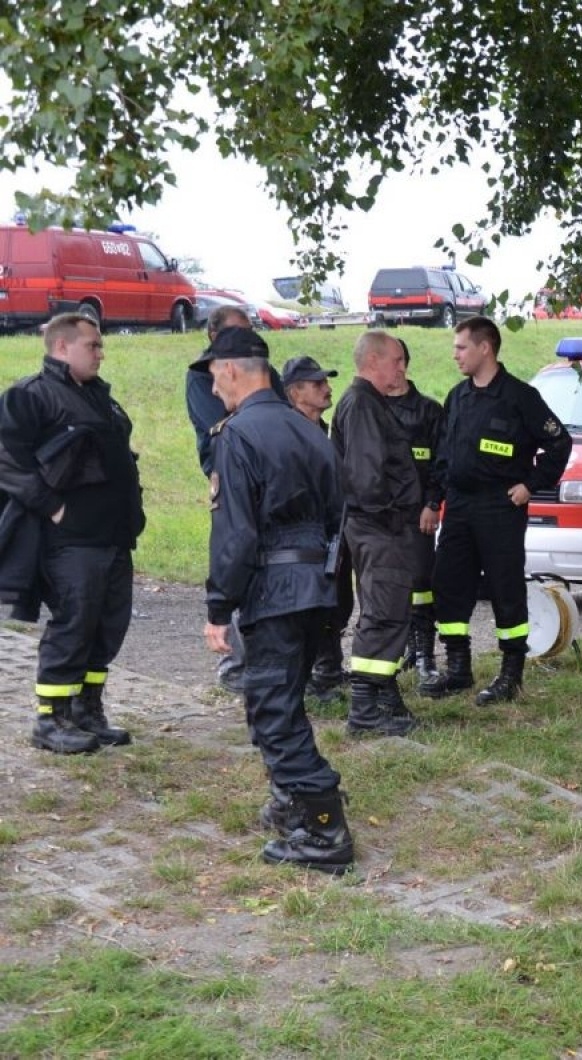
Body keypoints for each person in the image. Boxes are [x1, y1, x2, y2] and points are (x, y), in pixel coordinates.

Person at [195, 326, 354, 874]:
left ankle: (324, 827)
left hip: (275, 590)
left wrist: (219, 608)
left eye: (215, 376)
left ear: (233, 370)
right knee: (281, 703)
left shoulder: (238, 435)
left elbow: (234, 535)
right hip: (318, 587)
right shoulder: (310, 430)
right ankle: (291, 799)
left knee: (274, 709)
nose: (214, 390)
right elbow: (339, 516)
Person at [0, 314, 145, 754]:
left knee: (107, 625)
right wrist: (52, 506)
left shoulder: (100, 397)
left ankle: (87, 710)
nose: (101, 352)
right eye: (93, 345)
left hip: (113, 535)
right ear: (62, 348)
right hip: (71, 541)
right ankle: (51, 719)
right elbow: (7, 459)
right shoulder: (31, 396)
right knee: (74, 622)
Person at [420, 316, 572, 705]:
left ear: (484, 348)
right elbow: (443, 457)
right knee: (450, 584)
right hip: (460, 506)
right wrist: (434, 501)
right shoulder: (457, 397)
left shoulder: (520, 397)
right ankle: (458, 669)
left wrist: (530, 485)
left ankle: (510, 675)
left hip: (500, 507)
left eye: (461, 347)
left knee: (505, 588)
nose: (455, 354)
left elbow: (559, 444)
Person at [330, 331, 422, 737]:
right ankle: (366, 708)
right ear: (372, 360)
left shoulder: (369, 403)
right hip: (379, 527)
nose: (402, 368)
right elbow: (368, 477)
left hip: (380, 527)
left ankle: (383, 695)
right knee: (382, 613)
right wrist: (390, 517)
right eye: (396, 360)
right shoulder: (363, 405)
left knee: (390, 611)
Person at [184, 304, 279, 694]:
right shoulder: (202, 377)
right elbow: (222, 426)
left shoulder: (265, 372)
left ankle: (260, 659)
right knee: (236, 555)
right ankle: (236, 661)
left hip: (268, 478)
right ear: (213, 337)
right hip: (232, 471)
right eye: (232, 333)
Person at [282, 355, 354, 704]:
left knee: (338, 603)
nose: (327, 389)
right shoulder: (286, 430)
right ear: (296, 392)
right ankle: (311, 676)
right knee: (311, 608)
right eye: (318, 384)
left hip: (334, 531)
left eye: (326, 382)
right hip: (303, 536)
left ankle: (328, 669)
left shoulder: (324, 427)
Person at [384, 338, 446, 678]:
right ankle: (400, 651)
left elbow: (441, 462)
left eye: (396, 361)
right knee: (389, 585)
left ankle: (425, 654)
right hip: (382, 516)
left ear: (404, 364)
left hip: (418, 514)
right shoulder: (370, 408)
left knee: (422, 583)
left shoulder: (428, 411)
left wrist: (433, 503)